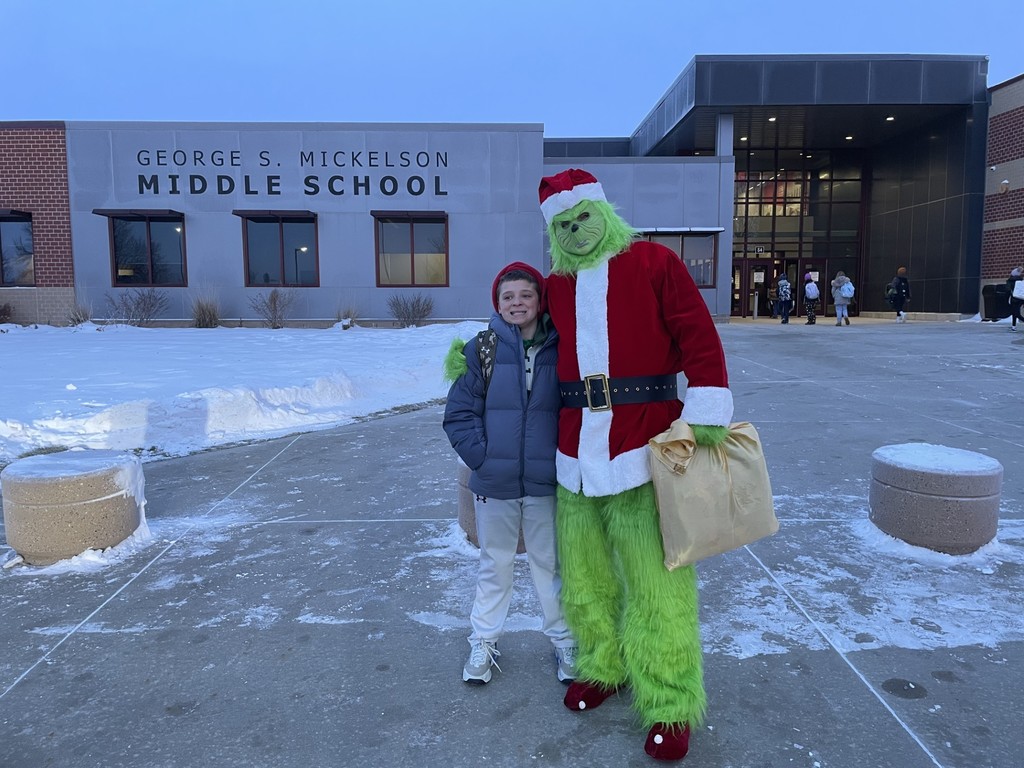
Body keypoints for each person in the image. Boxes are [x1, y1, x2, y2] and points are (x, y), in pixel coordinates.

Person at [539, 169, 733, 761]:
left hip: (644, 446)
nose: (576, 231)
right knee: (585, 577)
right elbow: (528, 341)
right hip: (574, 452)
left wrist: (705, 411)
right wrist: (473, 363)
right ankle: (603, 665)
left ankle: (670, 699)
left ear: (604, 212)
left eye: (583, 218)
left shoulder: (654, 263)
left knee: (657, 583)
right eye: (562, 225)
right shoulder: (555, 285)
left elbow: (697, 335)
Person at [442, 261, 577, 685]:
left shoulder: (562, 346)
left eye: (526, 295)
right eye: (508, 296)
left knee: (550, 567)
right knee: (494, 565)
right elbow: (458, 414)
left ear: (539, 301)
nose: (517, 303)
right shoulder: (481, 349)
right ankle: (484, 641)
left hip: (545, 483)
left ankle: (565, 642)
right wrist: (482, 458)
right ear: (497, 303)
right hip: (494, 484)